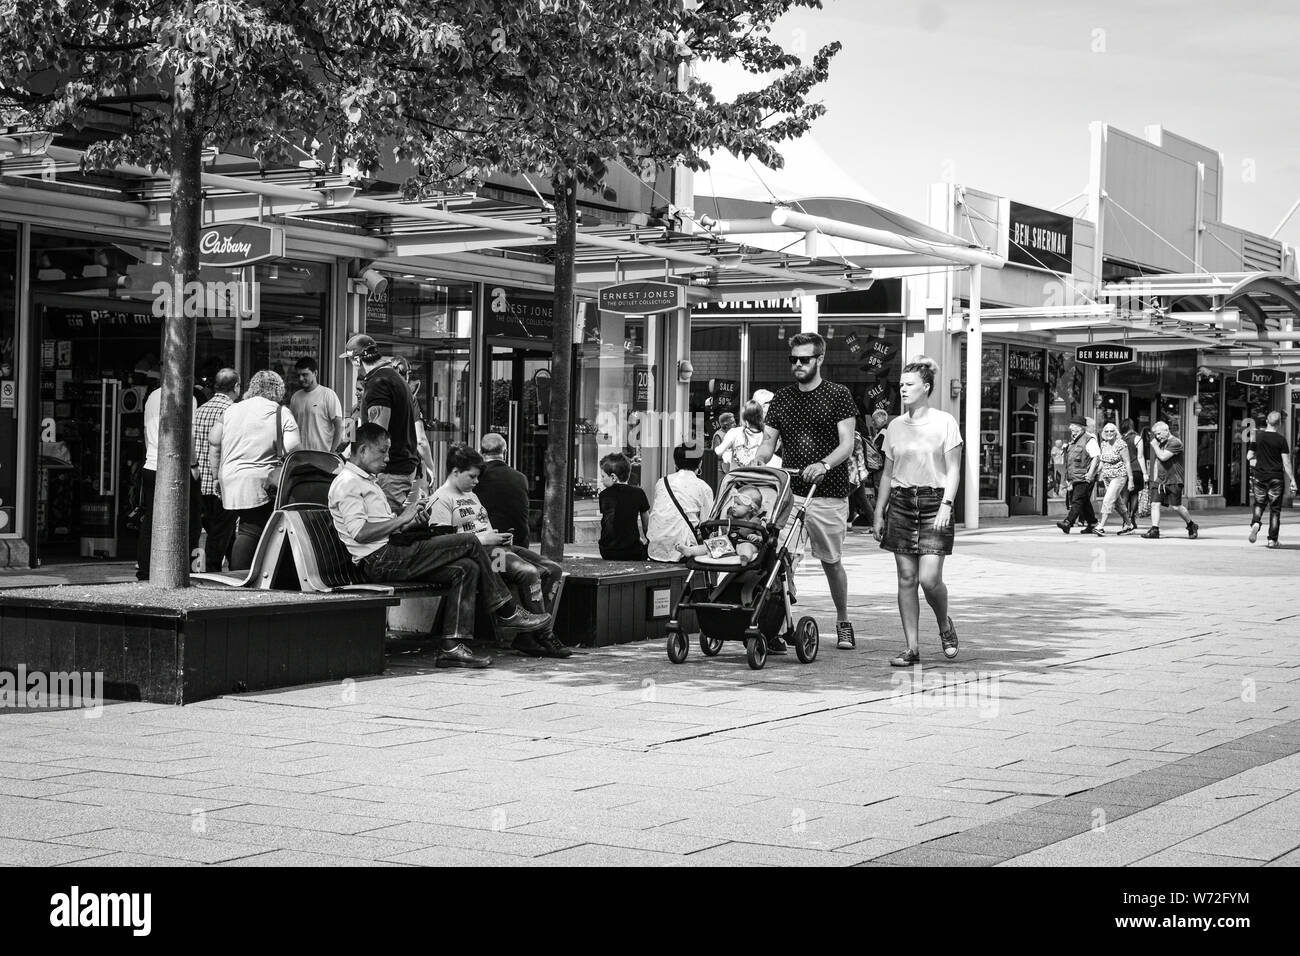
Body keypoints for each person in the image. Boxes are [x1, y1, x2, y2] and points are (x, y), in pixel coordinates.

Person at [328, 424, 550, 668]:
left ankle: (452, 646)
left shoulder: (367, 481)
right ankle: (506, 611)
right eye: (383, 451)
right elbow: (360, 533)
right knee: (470, 542)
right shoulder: (348, 483)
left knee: (466, 568)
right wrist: (402, 519)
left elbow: (381, 526)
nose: (388, 458)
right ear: (362, 450)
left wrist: (409, 522)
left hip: (394, 551)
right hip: (380, 559)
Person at [757, 331, 859, 651]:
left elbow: (847, 444)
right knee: (776, 559)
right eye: (794, 360)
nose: (798, 365)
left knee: (830, 560)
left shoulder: (838, 394)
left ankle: (843, 620)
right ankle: (774, 626)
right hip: (790, 492)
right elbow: (767, 444)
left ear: (819, 359)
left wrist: (824, 465)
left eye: (804, 359)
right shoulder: (783, 398)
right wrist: (758, 463)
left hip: (827, 491)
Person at [424, 446, 569, 657]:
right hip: (481, 555)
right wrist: (485, 539)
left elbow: (481, 525)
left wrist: (497, 536)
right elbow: (443, 543)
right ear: (455, 472)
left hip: (497, 548)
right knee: (528, 573)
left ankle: (528, 637)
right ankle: (545, 636)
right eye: (472, 476)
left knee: (552, 569)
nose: (476, 481)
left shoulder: (470, 494)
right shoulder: (441, 500)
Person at [871, 357, 962, 667]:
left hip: (935, 501)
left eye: (909, 384)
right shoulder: (895, 426)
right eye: (900, 384)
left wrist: (947, 505)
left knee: (929, 579)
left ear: (926, 387)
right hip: (901, 501)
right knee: (906, 578)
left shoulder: (945, 422)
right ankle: (911, 647)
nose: (903, 389)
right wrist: (878, 511)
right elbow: (886, 473)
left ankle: (944, 626)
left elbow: (954, 470)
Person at [210, 370, 300, 571]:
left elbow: (214, 441)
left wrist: (216, 476)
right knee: (251, 529)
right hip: (260, 482)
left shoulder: (232, 410)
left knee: (243, 526)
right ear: (278, 389)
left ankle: (245, 572)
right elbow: (292, 448)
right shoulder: (280, 412)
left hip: (230, 479)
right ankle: (241, 575)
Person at [341, 333, 421, 510]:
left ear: (356, 360)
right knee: (391, 523)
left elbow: (377, 433)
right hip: (399, 467)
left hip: (390, 471)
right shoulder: (392, 377)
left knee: (383, 527)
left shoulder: (378, 382)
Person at [136, 384, 201, 581]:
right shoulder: (188, 397)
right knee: (190, 517)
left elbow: (147, 433)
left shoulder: (153, 396)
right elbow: (189, 434)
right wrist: (193, 464)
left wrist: (151, 455)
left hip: (152, 463)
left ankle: (145, 569)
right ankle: (181, 567)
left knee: (151, 519)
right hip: (176, 466)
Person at [194, 368, 239, 573]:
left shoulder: (200, 409)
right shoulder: (233, 412)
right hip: (222, 483)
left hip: (199, 483)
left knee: (219, 531)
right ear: (236, 387)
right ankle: (212, 571)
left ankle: (237, 565)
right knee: (220, 532)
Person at [647, 443, 715, 562]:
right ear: (700, 463)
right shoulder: (703, 488)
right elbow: (706, 524)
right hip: (682, 552)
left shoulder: (662, 482)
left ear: (675, 463)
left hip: (654, 549)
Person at [676, 485, 765, 563]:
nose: (734, 506)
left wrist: (758, 538)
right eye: (734, 503)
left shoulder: (756, 521)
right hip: (728, 544)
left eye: (738, 504)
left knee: (747, 547)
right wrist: (725, 508)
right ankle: (691, 551)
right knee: (709, 545)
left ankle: (745, 558)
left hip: (745, 542)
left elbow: (765, 537)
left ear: (751, 508)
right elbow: (723, 528)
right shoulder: (730, 518)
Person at [1247, 410, 1297, 548]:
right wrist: (1292, 479)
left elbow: (1249, 456)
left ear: (1267, 421)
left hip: (1260, 476)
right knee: (1275, 510)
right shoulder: (1281, 440)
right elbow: (1286, 462)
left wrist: (1259, 457)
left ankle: (1256, 522)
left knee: (1259, 503)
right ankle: (1272, 540)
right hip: (1276, 477)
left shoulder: (1257, 437)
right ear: (1279, 424)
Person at [1143, 421, 1198, 540]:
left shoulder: (1175, 442)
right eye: (1155, 435)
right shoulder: (1161, 443)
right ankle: (1154, 529)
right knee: (1154, 504)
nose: (1157, 437)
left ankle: (1191, 525)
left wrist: (1155, 446)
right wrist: (1155, 479)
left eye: (1158, 434)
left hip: (1174, 479)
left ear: (1166, 430)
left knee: (1176, 506)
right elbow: (1158, 462)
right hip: (1160, 480)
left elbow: (1163, 456)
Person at [476, 432, 532, 548]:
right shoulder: (521, 478)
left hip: (487, 544)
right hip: (518, 544)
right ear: (505, 453)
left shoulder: (475, 478)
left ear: (480, 453)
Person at [598, 452, 649, 560]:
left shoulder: (604, 495)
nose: (601, 480)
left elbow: (610, 525)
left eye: (603, 476)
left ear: (613, 477)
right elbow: (646, 525)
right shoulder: (639, 493)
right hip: (632, 551)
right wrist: (648, 542)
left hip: (607, 551)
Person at [288, 357, 344, 453]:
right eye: (299, 375)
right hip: (300, 457)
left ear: (315, 373)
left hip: (322, 456)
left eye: (305, 374)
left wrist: (332, 453)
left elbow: (339, 427)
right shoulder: (295, 397)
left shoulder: (328, 394)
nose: (301, 379)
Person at [1055, 415, 1100, 535]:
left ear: (1080, 427)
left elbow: (1096, 456)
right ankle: (1093, 523)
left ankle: (1068, 522)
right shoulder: (1073, 440)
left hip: (1084, 476)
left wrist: (1090, 473)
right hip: (1074, 477)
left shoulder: (1089, 439)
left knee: (1077, 500)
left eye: (1073, 426)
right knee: (1084, 501)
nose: (1070, 427)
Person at [1094, 421, 1133, 535]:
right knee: (1117, 504)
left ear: (1116, 432)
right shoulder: (1104, 444)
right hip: (1107, 477)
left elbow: (1127, 463)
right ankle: (1129, 525)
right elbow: (1102, 460)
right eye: (1106, 431)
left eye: (1112, 431)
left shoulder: (1121, 444)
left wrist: (1130, 480)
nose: (1109, 433)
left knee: (1107, 500)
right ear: (1103, 433)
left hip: (1119, 476)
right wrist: (1095, 473)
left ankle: (1100, 526)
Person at [1119, 419, 1146, 534]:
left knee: (1124, 495)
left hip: (1124, 470)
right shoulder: (1138, 438)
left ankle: (1126, 521)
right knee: (1134, 494)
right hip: (1136, 469)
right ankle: (1132, 518)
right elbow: (1140, 457)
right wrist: (1145, 473)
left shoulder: (1120, 440)